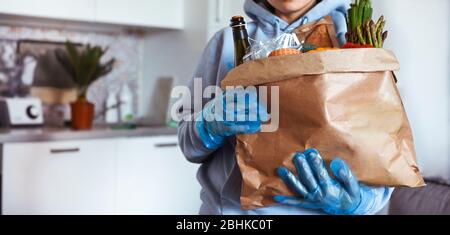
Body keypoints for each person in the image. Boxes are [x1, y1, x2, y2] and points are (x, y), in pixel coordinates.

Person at [178, 0, 393, 215]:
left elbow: (387, 152)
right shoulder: (225, 42)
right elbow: (188, 145)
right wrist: (208, 125)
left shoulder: (355, 43)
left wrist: (360, 202)